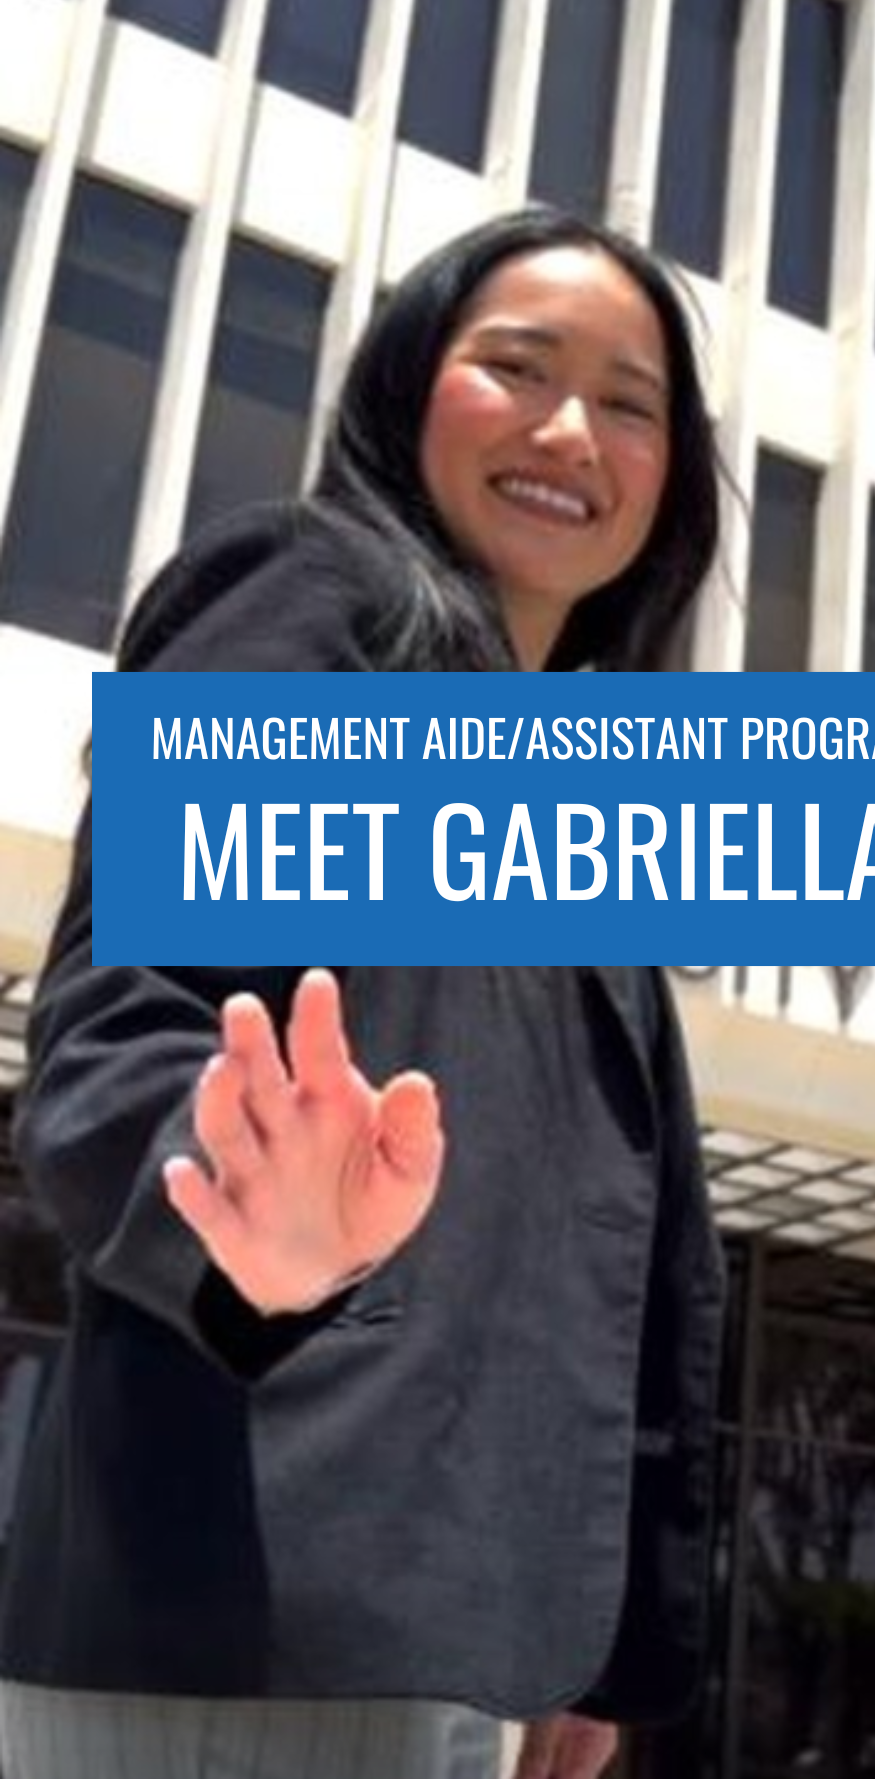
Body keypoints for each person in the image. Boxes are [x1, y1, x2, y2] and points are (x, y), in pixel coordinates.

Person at [0, 208, 726, 1779]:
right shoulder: (316, 594)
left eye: (630, 402)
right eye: (516, 370)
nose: (567, 430)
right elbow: (125, 1035)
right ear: (408, 391)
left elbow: (618, 1266)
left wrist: (599, 1641)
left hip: (467, 1650)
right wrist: (246, 1232)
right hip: (251, 1617)